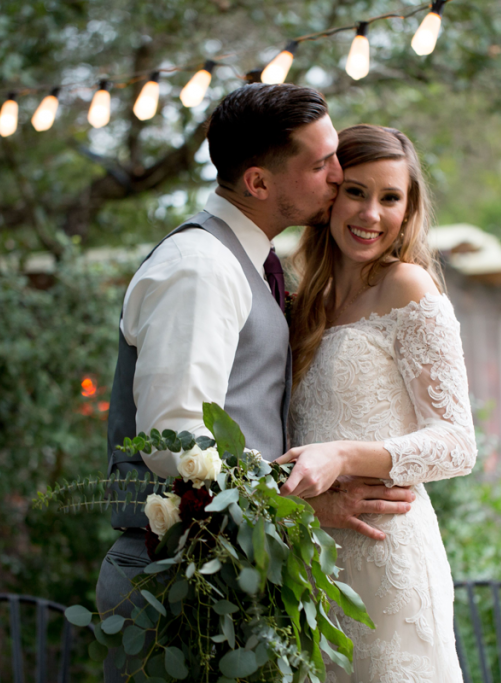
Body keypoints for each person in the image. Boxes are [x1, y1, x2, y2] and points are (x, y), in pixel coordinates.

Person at [95, 87, 416, 683]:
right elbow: (175, 445)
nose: (339, 173)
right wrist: (303, 504)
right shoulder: (201, 267)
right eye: (320, 164)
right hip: (175, 586)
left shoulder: (254, 263)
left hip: (225, 570)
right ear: (259, 184)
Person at [281, 124, 477, 682]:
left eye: (390, 198)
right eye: (357, 192)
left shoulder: (408, 286)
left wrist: (342, 456)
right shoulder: (304, 304)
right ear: (330, 194)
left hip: (389, 565)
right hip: (313, 563)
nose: (371, 213)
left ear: (408, 209)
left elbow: (457, 444)